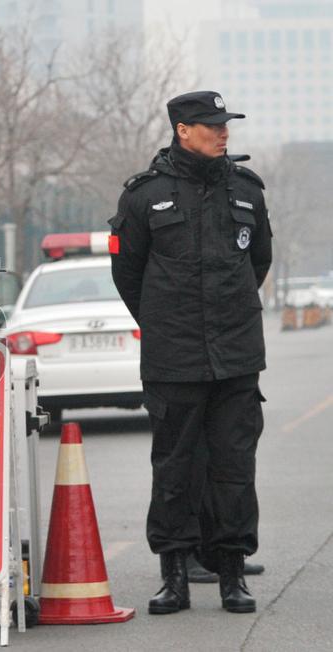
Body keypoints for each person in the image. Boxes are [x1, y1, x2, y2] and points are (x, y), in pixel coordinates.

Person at [109, 91, 272, 615]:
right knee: (174, 468)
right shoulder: (144, 196)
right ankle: (174, 576)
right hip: (173, 358)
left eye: (226, 125)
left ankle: (231, 574)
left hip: (237, 355)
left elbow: (259, 263)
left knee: (234, 469)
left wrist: (228, 317)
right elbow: (128, 275)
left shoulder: (247, 190)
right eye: (211, 125)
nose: (223, 133)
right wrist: (165, 323)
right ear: (183, 130)